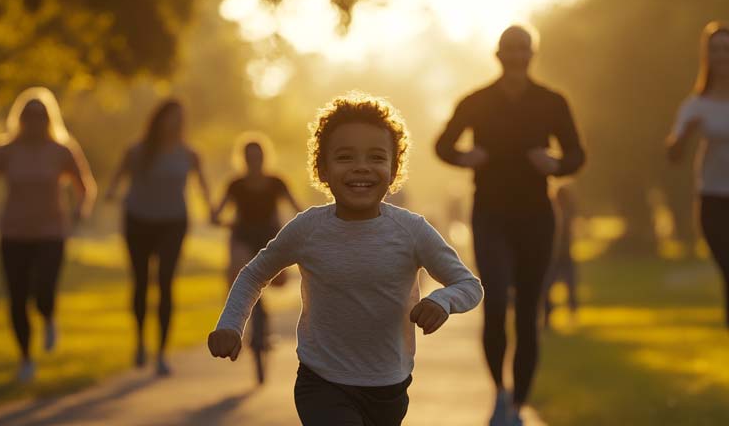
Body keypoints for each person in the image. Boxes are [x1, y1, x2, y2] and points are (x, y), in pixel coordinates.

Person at [209, 92, 483, 426]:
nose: (361, 167)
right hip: (321, 380)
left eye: (376, 157)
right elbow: (254, 275)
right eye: (345, 157)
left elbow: (468, 285)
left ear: (394, 168)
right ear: (322, 169)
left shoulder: (411, 231)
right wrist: (231, 324)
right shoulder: (308, 228)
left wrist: (442, 300)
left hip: (389, 385)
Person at [435, 25, 586, 426]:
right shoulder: (477, 101)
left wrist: (555, 164)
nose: (517, 56)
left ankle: (519, 403)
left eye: (523, 49)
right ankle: (500, 393)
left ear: (532, 54)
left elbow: (576, 154)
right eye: (509, 49)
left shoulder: (551, 102)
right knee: (496, 301)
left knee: (529, 311)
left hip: (537, 216)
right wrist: (465, 157)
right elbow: (443, 144)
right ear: (498, 55)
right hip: (491, 215)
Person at [0, 87, 97, 382]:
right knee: (16, 297)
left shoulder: (62, 150)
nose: (35, 122)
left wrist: (82, 210)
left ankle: (49, 317)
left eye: (41, 116)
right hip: (14, 233)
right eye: (29, 116)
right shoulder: (6, 151)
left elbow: (85, 185)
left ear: (49, 119)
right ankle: (26, 358)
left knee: (44, 290)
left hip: (51, 232)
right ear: (20, 118)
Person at [105, 99, 213, 376]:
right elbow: (116, 180)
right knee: (141, 282)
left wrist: (212, 211)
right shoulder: (137, 151)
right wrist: (111, 194)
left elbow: (202, 186)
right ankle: (140, 342)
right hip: (138, 220)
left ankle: (162, 353)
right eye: (171, 117)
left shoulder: (188, 154)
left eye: (180, 118)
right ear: (159, 120)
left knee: (165, 281)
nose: (176, 123)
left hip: (173, 223)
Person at [211, 133, 302, 383]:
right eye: (250, 157)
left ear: (265, 158)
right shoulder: (235, 185)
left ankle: (262, 325)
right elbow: (217, 213)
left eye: (258, 157)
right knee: (238, 272)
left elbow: (297, 207)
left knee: (280, 281)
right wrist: (220, 219)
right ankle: (252, 320)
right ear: (243, 159)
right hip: (243, 236)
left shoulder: (276, 182)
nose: (254, 161)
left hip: (269, 237)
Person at [667, 21, 729, 328]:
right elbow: (674, 155)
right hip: (714, 200)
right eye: (715, 50)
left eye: (727, 49)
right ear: (708, 56)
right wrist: (684, 137)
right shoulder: (696, 105)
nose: (722, 56)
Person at [543, 184, 578, 327]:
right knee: (568, 285)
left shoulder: (556, 212)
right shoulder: (564, 213)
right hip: (560, 256)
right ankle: (551, 316)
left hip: (556, 256)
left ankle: (550, 316)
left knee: (549, 287)